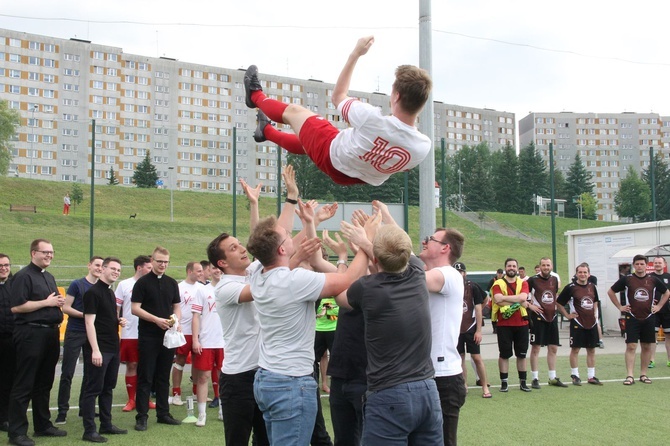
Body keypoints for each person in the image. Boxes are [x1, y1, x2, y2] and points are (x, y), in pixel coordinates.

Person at [246, 202, 371, 445]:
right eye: (288, 236)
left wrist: (311, 221)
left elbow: (275, 242)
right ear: (283, 250)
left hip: (267, 378)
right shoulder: (294, 281)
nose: (292, 235)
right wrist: (365, 244)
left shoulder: (257, 274)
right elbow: (347, 279)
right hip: (291, 382)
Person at [244, 36, 432, 186]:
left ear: (396, 96)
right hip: (356, 176)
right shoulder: (423, 147)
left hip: (333, 155)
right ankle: (266, 131)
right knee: (308, 142)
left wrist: (356, 54)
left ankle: (254, 96)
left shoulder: (372, 119)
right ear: (422, 103)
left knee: (294, 112)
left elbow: (338, 96)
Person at [337, 221, 443, 445]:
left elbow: (340, 294)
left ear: (375, 259)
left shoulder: (367, 288)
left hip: (389, 393)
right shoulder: (417, 274)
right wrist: (368, 242)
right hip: (427, 390)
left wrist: (348, 257)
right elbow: (400, 255)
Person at [207, 178, 270, 446]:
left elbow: (258, 245)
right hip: (238, 378)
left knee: (266, 439)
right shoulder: (225, 287)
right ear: (222, 263)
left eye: (239, 244)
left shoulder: (253, 272)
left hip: (265, 372)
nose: (242, 248)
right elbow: (260, 291)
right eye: (233, 248)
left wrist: (254, 204)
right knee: (237, 441)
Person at [9, 239, 67, 446]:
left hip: (50, 335)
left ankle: (43, 425)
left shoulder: (49, 276)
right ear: (33, 253)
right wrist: (47, 303)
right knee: (24, 383)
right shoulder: (23, 276)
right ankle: (16, 433)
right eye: (45, 252)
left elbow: (50, 303)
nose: (49, 255)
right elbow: (16, 307)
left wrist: (57, 304)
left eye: (52, 252)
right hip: (30, 334)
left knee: (44, 383)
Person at [131, 247, 182, 431]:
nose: (163, 265)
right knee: (146, 376)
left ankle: (163, 413)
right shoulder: (142, 283)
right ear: (152, 261)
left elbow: (176, 307)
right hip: (148, 336)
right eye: (160, 261)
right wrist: (156, 320)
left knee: (163, 376)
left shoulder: (172, 283)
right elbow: (135, 308)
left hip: (168, 336)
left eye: (166, 262)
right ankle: (142, 416)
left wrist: (176, 320)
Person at [81, 257, 128, 443]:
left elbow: (105, 318)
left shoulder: (110, 293)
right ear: (103, 269)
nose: (116, 272)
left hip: (113, 347)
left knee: (108, 387)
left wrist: (118, 321)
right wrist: (95, 350)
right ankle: (89, 430)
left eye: (118, 269)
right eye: (113, 269)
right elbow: (89, 322)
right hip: (100, 349)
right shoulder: (92, 293)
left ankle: (106, 424)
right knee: (93, 389)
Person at [55, 256, 104, 425]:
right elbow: (66, 307)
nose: (99, 268)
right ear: (89, 265)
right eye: (97, 265)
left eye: (102, 266)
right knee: (67, 372)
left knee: (90, 373)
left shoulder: (103, 287)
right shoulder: (77, 284)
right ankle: (62, 411)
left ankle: (85, 408)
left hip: (93, 334)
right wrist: (86, 316)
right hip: (75, 332)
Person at [607, 254, 669, 385]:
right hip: (632, 317)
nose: (640, 266)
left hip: (649, 317)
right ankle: (630, 375)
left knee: (646, 346)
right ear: (633, 265)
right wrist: (620, 307)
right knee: (631, 346)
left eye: (642, 264)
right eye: (637, 264)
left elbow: (667, 292)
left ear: (646, 266)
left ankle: (643, 374)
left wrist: (658, 306)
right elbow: (611, 292)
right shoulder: (627, 279)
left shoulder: (652, 279)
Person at [114, 255, 154, 412]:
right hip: (130, 333)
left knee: (147, 367)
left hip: (148, 333)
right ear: (139, 268)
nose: (151, 270)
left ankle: (146, 399)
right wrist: (118, 320)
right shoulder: (124, 285)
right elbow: (115, 308)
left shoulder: (153, 284)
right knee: (132, 365)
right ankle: (131, 400)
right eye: (149, 268)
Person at [557, 263, 603, 385]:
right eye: (580, 272)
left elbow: (595, 301)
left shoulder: (592, 287)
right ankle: (575, 375)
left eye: (585, 272)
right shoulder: (570, 287)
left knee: (591, 350)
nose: (582, 274)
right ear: (577, 274)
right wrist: (567, 315)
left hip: (591, 323)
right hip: (577, 323)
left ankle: (591, 376)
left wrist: (595, 314)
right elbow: (559, 303)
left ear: (589, 274)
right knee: (575, 349)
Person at [491, 258, 532, 392]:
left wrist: (505, 298)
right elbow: (497, 300)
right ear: (505, 268)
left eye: (514, 266)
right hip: (504, 324)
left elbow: (523, 298)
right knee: (504, 354)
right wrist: (518, 301)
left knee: (521, 354)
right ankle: (504, 383)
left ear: (517, 268)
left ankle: (523, 382)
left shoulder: (523, 283)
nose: (511, 268)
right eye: (509, 266)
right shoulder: (498, 283)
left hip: (522, 323)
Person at [527, 257, 568, 389]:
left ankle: (552, 377)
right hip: (538, 318)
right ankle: (535, 378)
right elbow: (523, 296)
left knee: (553, 348)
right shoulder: (532, 280)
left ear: (551, 266)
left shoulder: (554, 279)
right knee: (536, 348)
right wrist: (530, 306)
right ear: (540, 266)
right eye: (543, 265)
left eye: (548, 265)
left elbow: (554, 296)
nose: (546, 267)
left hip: (552, 317)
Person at [190, 273, 224, 427]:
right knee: (203, 377)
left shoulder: (230, 288)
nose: (218, 271)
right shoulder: (202, 290)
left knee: (224, 377)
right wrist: (196, 339)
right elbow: (196, 316)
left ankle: (223, 410)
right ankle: (201, 414)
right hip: (207, 341)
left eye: (220, 268)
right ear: (210, 270)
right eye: (214, 268)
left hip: (226, 342)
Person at [454, 261, 491, 399]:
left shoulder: (472, 286)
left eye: (461, 271)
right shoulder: (450, 287)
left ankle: (485, 386)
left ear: (465, 273)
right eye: (456, 272)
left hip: (471, 328)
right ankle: (464, 385)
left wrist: (479, 330)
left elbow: (482, 302)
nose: (459, 274)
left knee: (476, 357)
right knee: (460, 357)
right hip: (456, 329)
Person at [171, 261, 204, 406]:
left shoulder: (203, 288)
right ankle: (176, 393)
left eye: (202, 271)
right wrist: (176, 325)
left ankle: (196, 392)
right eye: (198, 271)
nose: (201, 273)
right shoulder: (178, 288)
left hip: (199, 332)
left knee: (198, 363)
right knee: (180, 361)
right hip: (183, 331)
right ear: (190, 271)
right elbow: (173, 309)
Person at [0, 254, 15, 433]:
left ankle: (6, 417)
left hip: (11, 340)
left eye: (6, 265)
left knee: (9, 380)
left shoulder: (14, 286)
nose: (4, 268)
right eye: (1, 265)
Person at [650, 257, 670, 368]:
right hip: (653, 311)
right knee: (652, 336)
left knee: (669, 335)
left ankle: (669, 360)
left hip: (668, 311)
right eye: (656, 262)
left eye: (659, 262)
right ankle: (651, 360)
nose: (657, 264)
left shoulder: (668, 277)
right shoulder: (649, 277)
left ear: (664, 264)